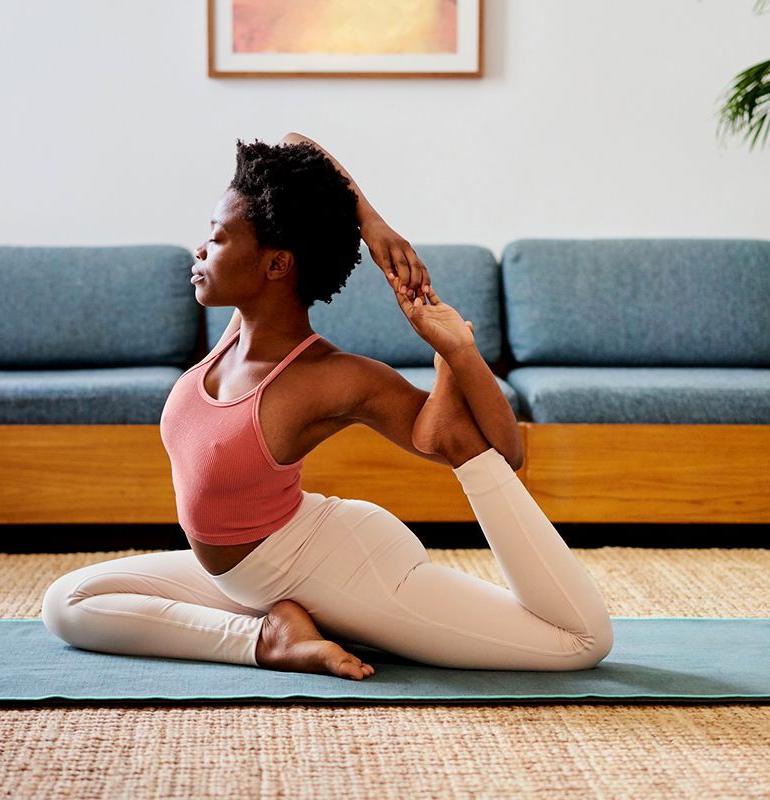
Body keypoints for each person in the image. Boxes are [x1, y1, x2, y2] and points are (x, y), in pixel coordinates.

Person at [41, 132, 614, 680]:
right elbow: (295, 142)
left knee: (578, 643)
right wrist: (373, 224)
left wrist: (455, 355)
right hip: (245, 578)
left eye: (217, 237)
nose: (200, 248)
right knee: (68, 602)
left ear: (276, 265)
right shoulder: (236, 336)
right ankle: (270, 633)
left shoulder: (329, 377)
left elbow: (499, 452)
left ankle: (266, 641)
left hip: (340, 567)